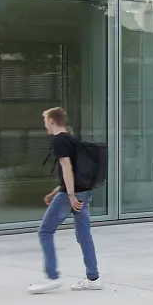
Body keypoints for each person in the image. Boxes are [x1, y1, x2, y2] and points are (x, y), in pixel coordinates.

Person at [29, 106, 102, 293]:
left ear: (52, 121)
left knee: (45, 231)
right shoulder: (72, 139)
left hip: (72, 194)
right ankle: (93, 278)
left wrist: (69, 195)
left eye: (45, 121)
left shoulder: (59, 141)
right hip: (83, 192)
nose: (45, 124)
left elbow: (67, 168)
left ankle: (52, 277)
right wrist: (55, 192)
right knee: (84, 235)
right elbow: (74, 172)